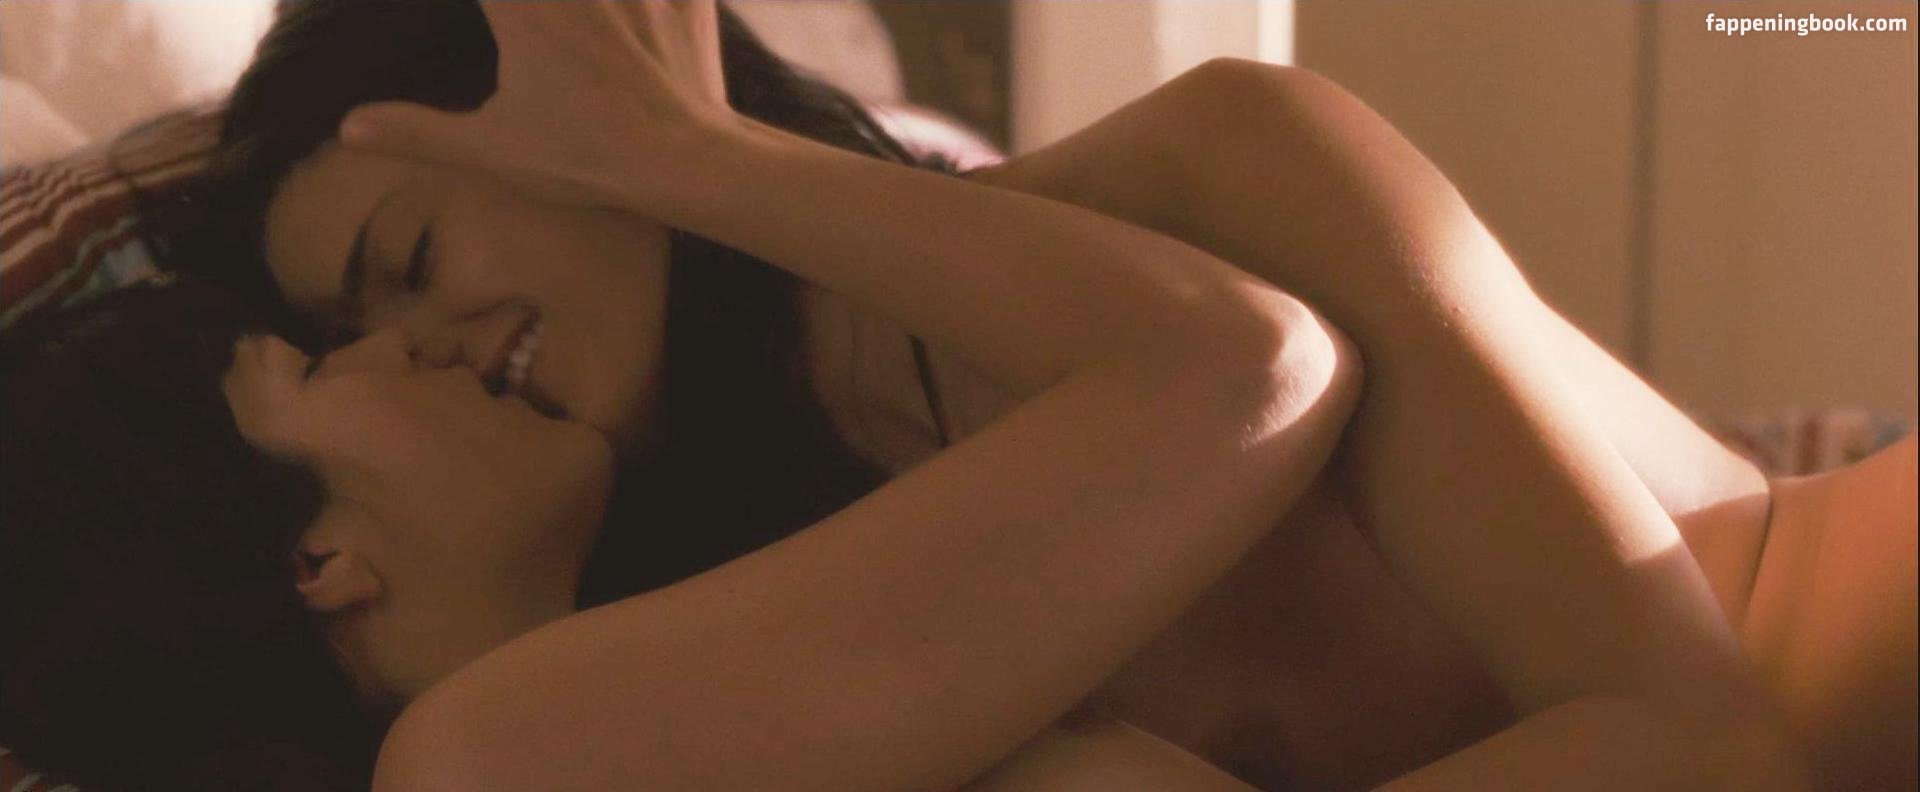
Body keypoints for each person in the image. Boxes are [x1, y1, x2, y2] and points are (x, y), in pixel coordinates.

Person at [4, 0, 1908, 789]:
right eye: (343, 344)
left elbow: (1701, 753)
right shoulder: (728, 648)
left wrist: (710, 164)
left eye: (411, 257)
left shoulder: (1213, 176)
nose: (415, 348)